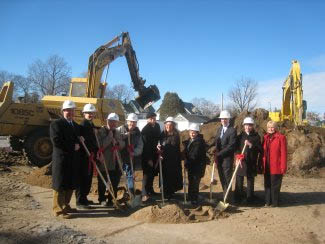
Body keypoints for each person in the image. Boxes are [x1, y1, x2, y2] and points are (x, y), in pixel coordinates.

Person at [50, 100, 81, 219]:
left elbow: (79, 136)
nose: (70, 112)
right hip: (61, 158)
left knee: (69, 183)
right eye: (67, 110)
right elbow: (56, 141)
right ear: (62, 111)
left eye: (72, 110)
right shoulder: (56, 124)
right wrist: (72, 146)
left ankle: (66, 205)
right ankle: (58, 209)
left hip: (72, 159)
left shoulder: (74, 125)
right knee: (60, 183)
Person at [96, 113, 124, 206]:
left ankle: (111, 199)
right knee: (102, 181)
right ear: (107, 121)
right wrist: (109, 138)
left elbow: (122, 144)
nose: (113, 124)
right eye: (111, 121)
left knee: (114, 181)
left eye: (115, 122)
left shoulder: (117, 132)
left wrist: (117, 143)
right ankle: (101, 199)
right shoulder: (101, 131)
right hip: (105, 160)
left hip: (116, 161)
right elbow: (100, 145)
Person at [234, 117, 262, 204]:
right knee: (239, 179)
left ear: (252, 126)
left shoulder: (256, 137)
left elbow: (260, 149)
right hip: (241, 161)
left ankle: (250, 198)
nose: (248, 127)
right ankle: (238, 197)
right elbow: (236, 148)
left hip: (251, 161)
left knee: (250, 180)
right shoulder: (240, 136)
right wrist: (237, 157)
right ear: (243, 126)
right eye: (246, 125)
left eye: (250, 125)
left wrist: (251, 145)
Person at [75, 103, 98, 209]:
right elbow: (79, 140)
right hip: (84, 157)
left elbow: (94, 141)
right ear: (84, 113)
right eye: (88, 113)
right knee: (82, 178)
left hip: (91, 156)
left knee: (88, 179)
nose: (90, 114)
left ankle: (84, 198)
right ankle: (80, 201)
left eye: (92, 113)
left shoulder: (91, 125)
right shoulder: (82, 125)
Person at [117, 113, 143, 195]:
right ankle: (111, 192)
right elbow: (115, 139)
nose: (132, 124)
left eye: (134, 122)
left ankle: (130, 193)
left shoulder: (138, 133)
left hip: (130, 158)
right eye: (131, 121)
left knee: (129, 176)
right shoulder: (120, 129)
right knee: (116, 175)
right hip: (119, 157)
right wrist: (124, 136)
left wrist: (133, 152)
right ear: (127, 121)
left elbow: (140, 146)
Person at [262, 120, 287, 207]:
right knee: (267, 184)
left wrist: (283, 166)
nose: (270, 129)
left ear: (275, 128)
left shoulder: (281, 137)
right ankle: (267, 202)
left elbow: (283, 153)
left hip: (276, 165)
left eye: (272, 127)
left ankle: (275, 202)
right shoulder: (265, 138)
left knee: (275, 185)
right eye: (269, 127)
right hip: (267, 165)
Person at [157, 117, 183, 200]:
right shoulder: (162, 134)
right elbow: (159, 144)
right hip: (164, 159)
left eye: (170, 125)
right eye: (167, 125)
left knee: (172, 176)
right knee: (165, 176)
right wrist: (159, 148)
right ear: (165, 125)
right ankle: (165, 191)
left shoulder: (177, 135)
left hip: (174, 160)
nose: (168, 126)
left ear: (173, 126)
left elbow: (178, 147)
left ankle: (170, 192)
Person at [215, 110, 237, 200]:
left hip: (227, 159)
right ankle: (225, 195)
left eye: (225, 119)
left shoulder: (232, 130)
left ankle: (227, 198)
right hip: (219, 159)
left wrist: (219, 154)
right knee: (221, 177)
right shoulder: (219, 129)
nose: (223, 120)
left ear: (228, 120)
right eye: (222, 119)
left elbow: (231, 146)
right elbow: (217, 142)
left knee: (227, 178)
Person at [182, 123, 207, 205]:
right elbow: (186, 152)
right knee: (191, 182)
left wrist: (186, 162)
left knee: (195, 184)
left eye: (194, 132)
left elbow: (194, 155)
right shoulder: (190, 141)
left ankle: (194, 199)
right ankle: (190, 197)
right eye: (191, 132)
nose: (192, 134)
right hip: (191, 166)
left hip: (197, 167)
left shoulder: (199, 142)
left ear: (197, 133)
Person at [141, 112, 161, 202]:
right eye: (151, 119)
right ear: (148, 119)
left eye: (154, 118)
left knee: (152, 173)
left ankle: (150, 189)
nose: (153, 120)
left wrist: (159, 145)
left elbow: (159, 137)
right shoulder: (145, 130)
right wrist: (148, 158)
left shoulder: (157, 126)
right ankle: (144, 193)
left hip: (155, 153)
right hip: (147, 154)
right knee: (146, 174)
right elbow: (145, 146)